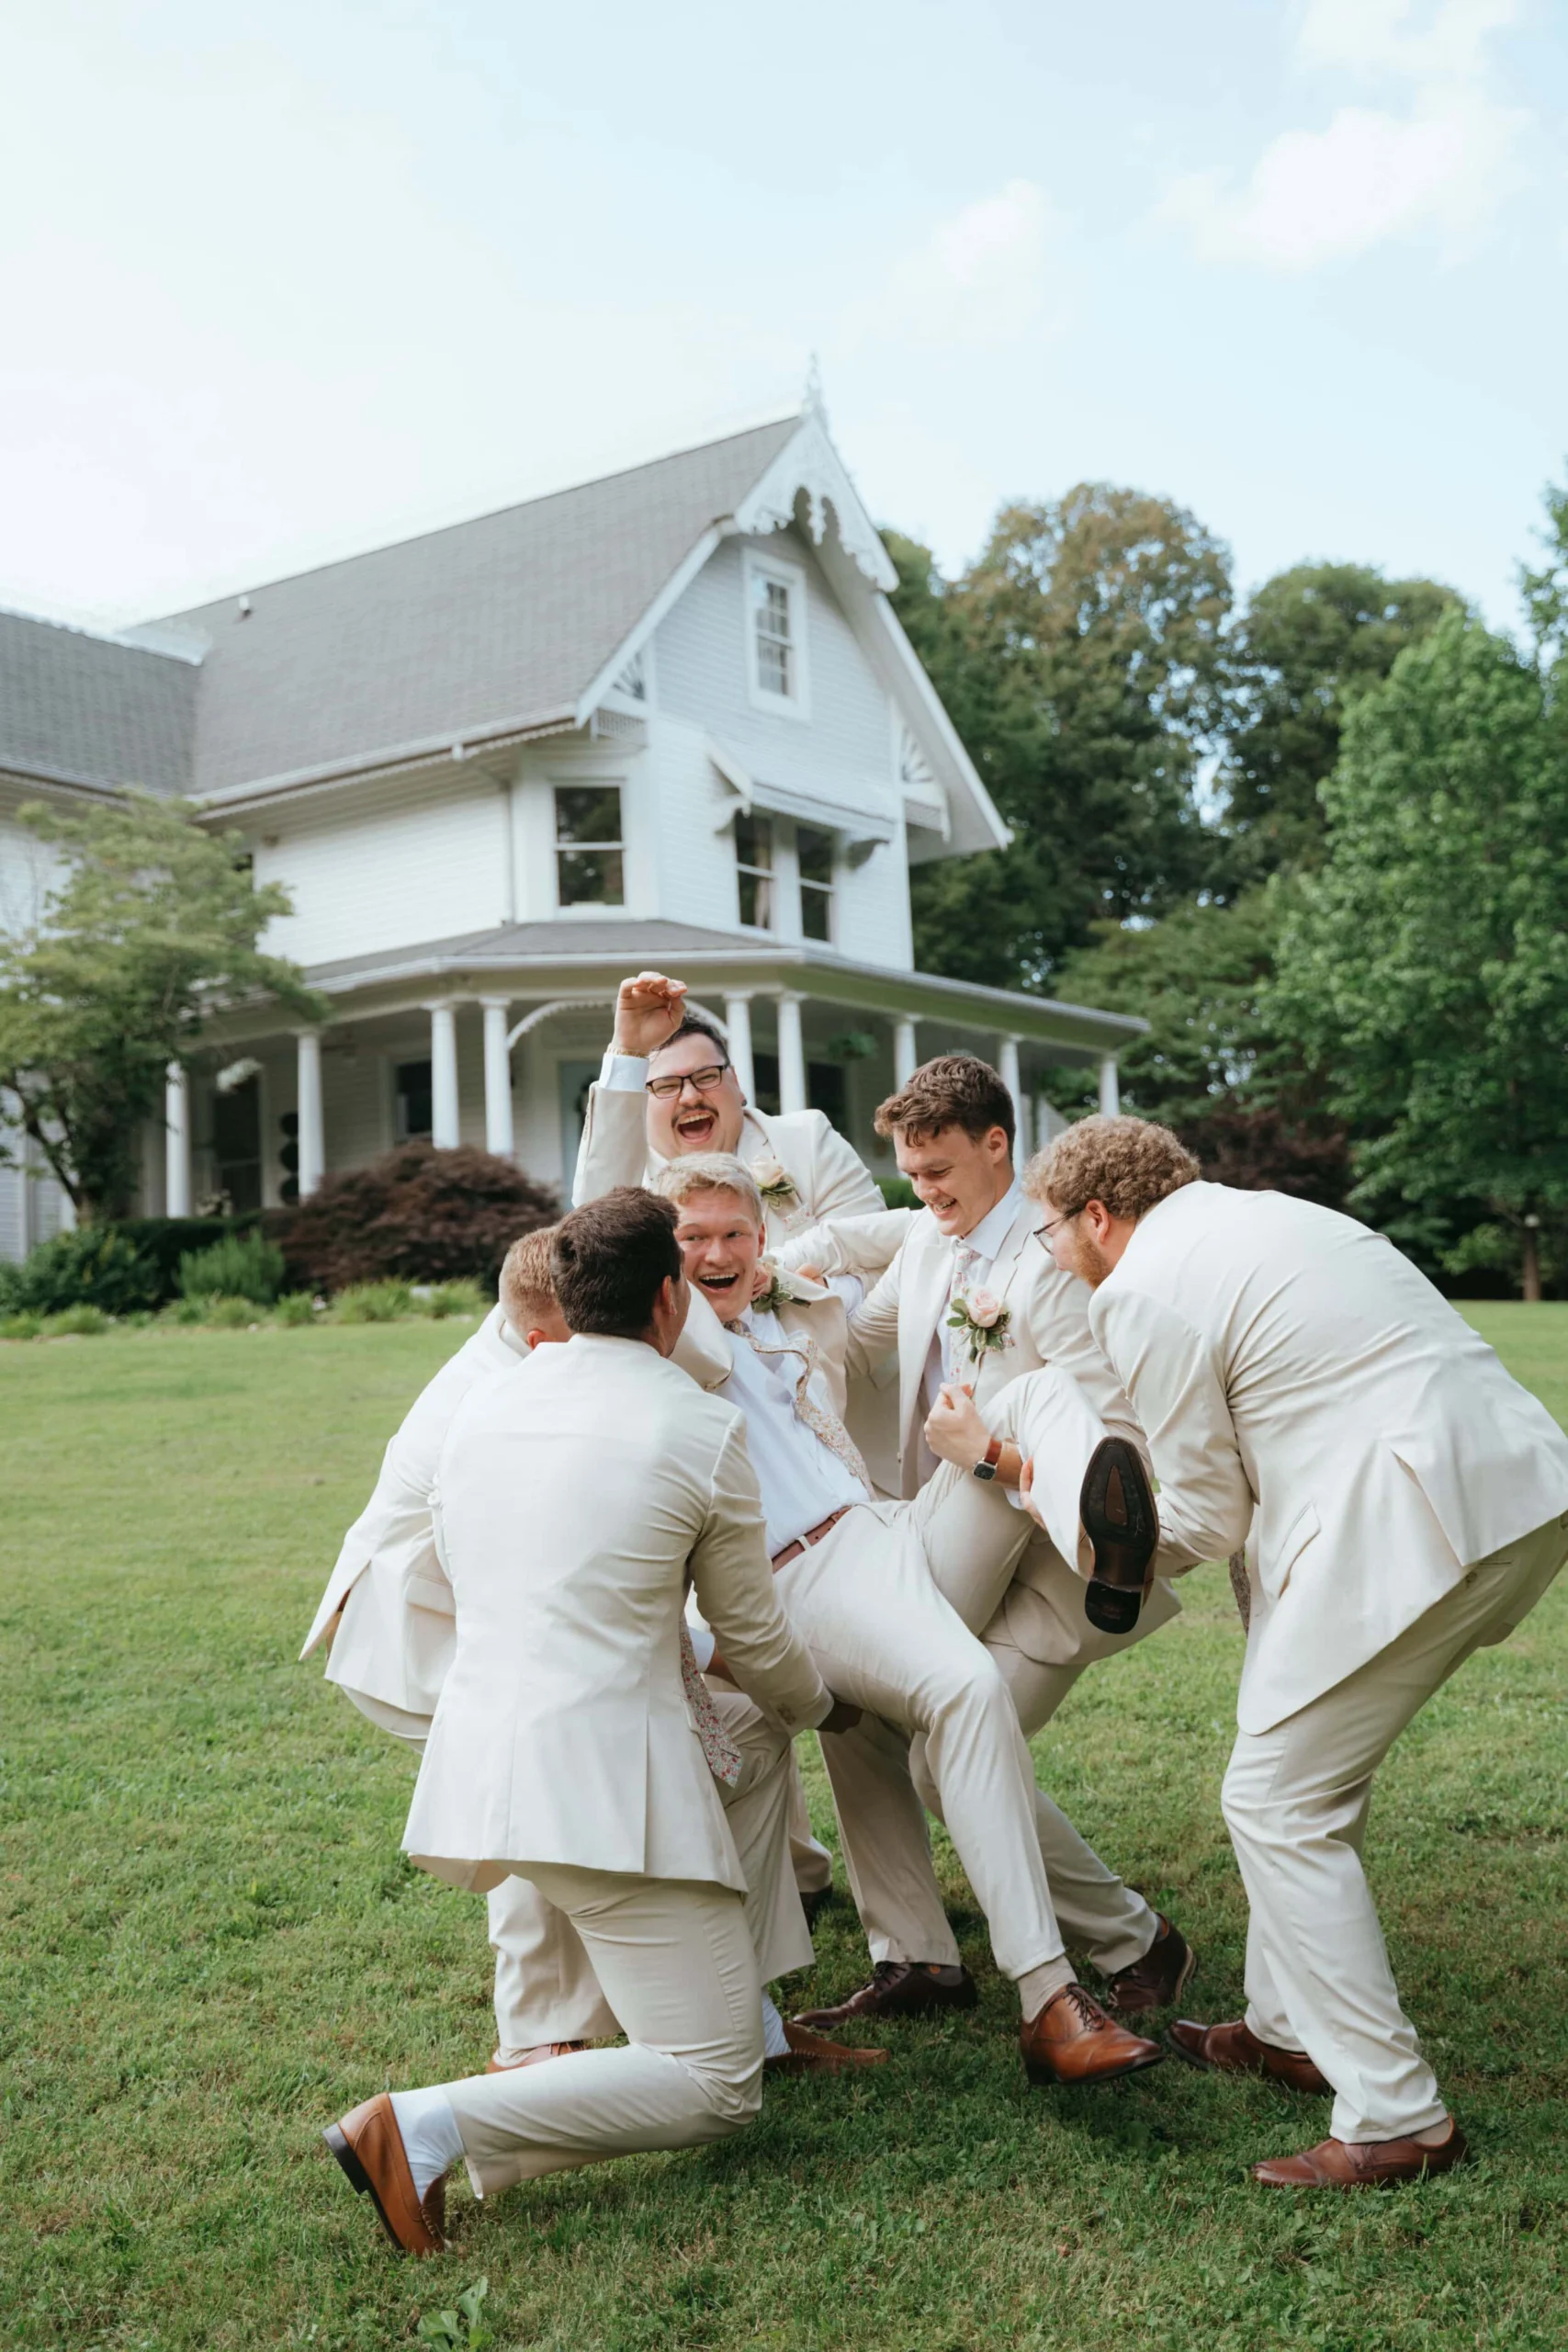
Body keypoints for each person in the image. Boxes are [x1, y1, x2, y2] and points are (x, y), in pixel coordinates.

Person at [1032, 1114, 1568, 2188]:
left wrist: (1063, 1509)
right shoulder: (1270, 1215)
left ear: (1097, 1216)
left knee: (1275, 1800)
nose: (1049, 1256)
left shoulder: (1139, 1292)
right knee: (1312, 1781)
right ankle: (1283, 2029)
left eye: (1050, 1232)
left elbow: (1206, 1513)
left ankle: (1399, 2117)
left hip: (1407, 1520)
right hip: (1514, 1483)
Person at [322, 1190, 855, 2255]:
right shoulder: (701, 1426)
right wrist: (824, 1705)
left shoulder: (484, 1405)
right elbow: (752, 1636)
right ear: (669, 1298)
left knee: (749, 1747)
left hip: (481, 1758)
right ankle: (421, 2127)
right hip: (608, 1792)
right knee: (715, 2086)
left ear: (565, 1299)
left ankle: (744, 2011)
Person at [653, 1154, 1167, 2089]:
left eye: (735, 1235)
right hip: (795, 1572)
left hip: (884, 1528)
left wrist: (795, 1261)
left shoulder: (785, 1305)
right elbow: (588, 1257)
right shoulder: (659, 1339)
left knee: (1030, 1394)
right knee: (961, 1691)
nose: (717, 1255)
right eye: (693, 1238)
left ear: (761, 1242)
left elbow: (908, 1228)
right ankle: (1048, 1997)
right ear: (662, 1255)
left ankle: (1104, 1535)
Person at [788, 1057, 1190, 2032]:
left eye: (939, 1171)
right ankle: (915, 1953)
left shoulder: (1055, 1266)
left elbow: (1124, 1446)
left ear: (996, 1144)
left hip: (1052, 1575)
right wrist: (754, 1313)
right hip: (942, 1538)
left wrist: (997, 1456)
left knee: (940, 1763)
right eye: (910, 1175)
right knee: (854, 1706)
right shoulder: (930, 1245)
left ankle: (1137, 1941)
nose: (924, 1193)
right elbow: (855, 1347)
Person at [300, 1230, 734, 2069]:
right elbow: (554, 1597)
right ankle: (535, 2040)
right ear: (543, 1337)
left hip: (483, 1622)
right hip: (411, 1631)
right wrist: (716, 1652)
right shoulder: (495, 1402)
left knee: (552, 1788)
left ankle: (658, 1998)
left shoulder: (538, 1346)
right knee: (531, 1797)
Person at [573, 964, 898, 1902]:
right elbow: (584, 1222)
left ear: (734, 1082)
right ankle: (793, 1871)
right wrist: (624, 1051)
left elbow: (875, 1260)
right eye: (666, 1084)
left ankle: (899, 1913)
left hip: (827, 1434)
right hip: (698, 1451)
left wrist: (771, 1280)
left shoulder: (802, 1140)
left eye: (703, 1077)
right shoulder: (637, 1188)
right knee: (736, 1649)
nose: (688, 1097)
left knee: (867, 1681)